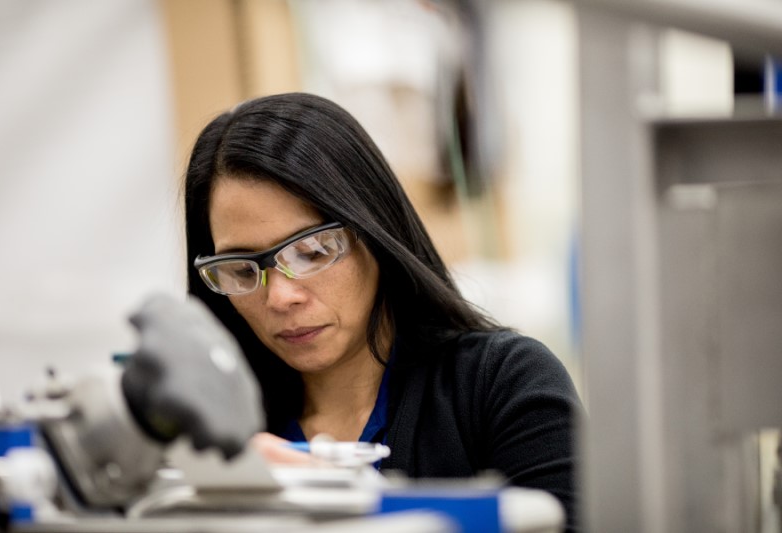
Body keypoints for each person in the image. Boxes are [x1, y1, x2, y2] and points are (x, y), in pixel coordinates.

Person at [183, 92, 582, 529]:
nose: (280, 297)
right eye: (240, 269)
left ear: (375, 232)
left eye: (312, 251)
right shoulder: (215, 435)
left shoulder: (501, 384)